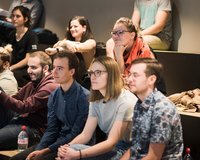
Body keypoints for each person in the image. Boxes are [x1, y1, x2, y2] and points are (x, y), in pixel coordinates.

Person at [11, 51, 90, 160]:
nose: (54, 72)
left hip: (74, 146)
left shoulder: (84, 97)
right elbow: (52, 129)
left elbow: (75, 133)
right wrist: (40, 148)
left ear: (71, 71)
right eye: (54, 67)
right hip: (56, 141)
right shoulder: (54, 95)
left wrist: (46, 150)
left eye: (60, 68)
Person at [56, 56, 138, 160]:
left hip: (130, 151)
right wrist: (65, 148)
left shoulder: (125, 101)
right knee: (70, 150)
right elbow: (85, 135)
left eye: (98, 72)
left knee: (74, 152)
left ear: (111, 75)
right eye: (91, 72)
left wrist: (76, 154)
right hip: (113, 148)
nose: (92, 77)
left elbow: (111, 142)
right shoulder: (96, 100)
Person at [121, 58, 183, 159]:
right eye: (129, 74)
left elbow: (153, 157)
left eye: (135, 75)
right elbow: (135, 147)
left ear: (151, 79)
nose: (129, 79)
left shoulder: (162, 109)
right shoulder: (140, 103)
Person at [0, 51, 58, 150]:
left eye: (33, 67)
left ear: (45, 68)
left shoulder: (50, 86)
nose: (29, 71)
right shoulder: (33, 82)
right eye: (28, 67)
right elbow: (15, 98)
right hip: (22, 119)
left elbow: (24, 107)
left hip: (35, 130)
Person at [45, 16, 96, 84]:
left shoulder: (91, 42)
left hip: (84, 79)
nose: (72, 29)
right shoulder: (68, 42)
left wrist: (66, 43)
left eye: (75, 26)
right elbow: (56, 46)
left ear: (84, 28)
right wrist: (61, 46)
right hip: (69, 75)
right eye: (71, 27)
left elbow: (77, 48)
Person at [8, 5, 38, 87]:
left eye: (18, 16)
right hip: (12, 67)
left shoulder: (32, 36)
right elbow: (9, 53)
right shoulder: (12, 34)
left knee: (10, 75)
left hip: (25, 70)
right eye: (13, 16)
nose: (14, 19)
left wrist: (11, 68)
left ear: (25, 19)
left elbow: (28, 59)